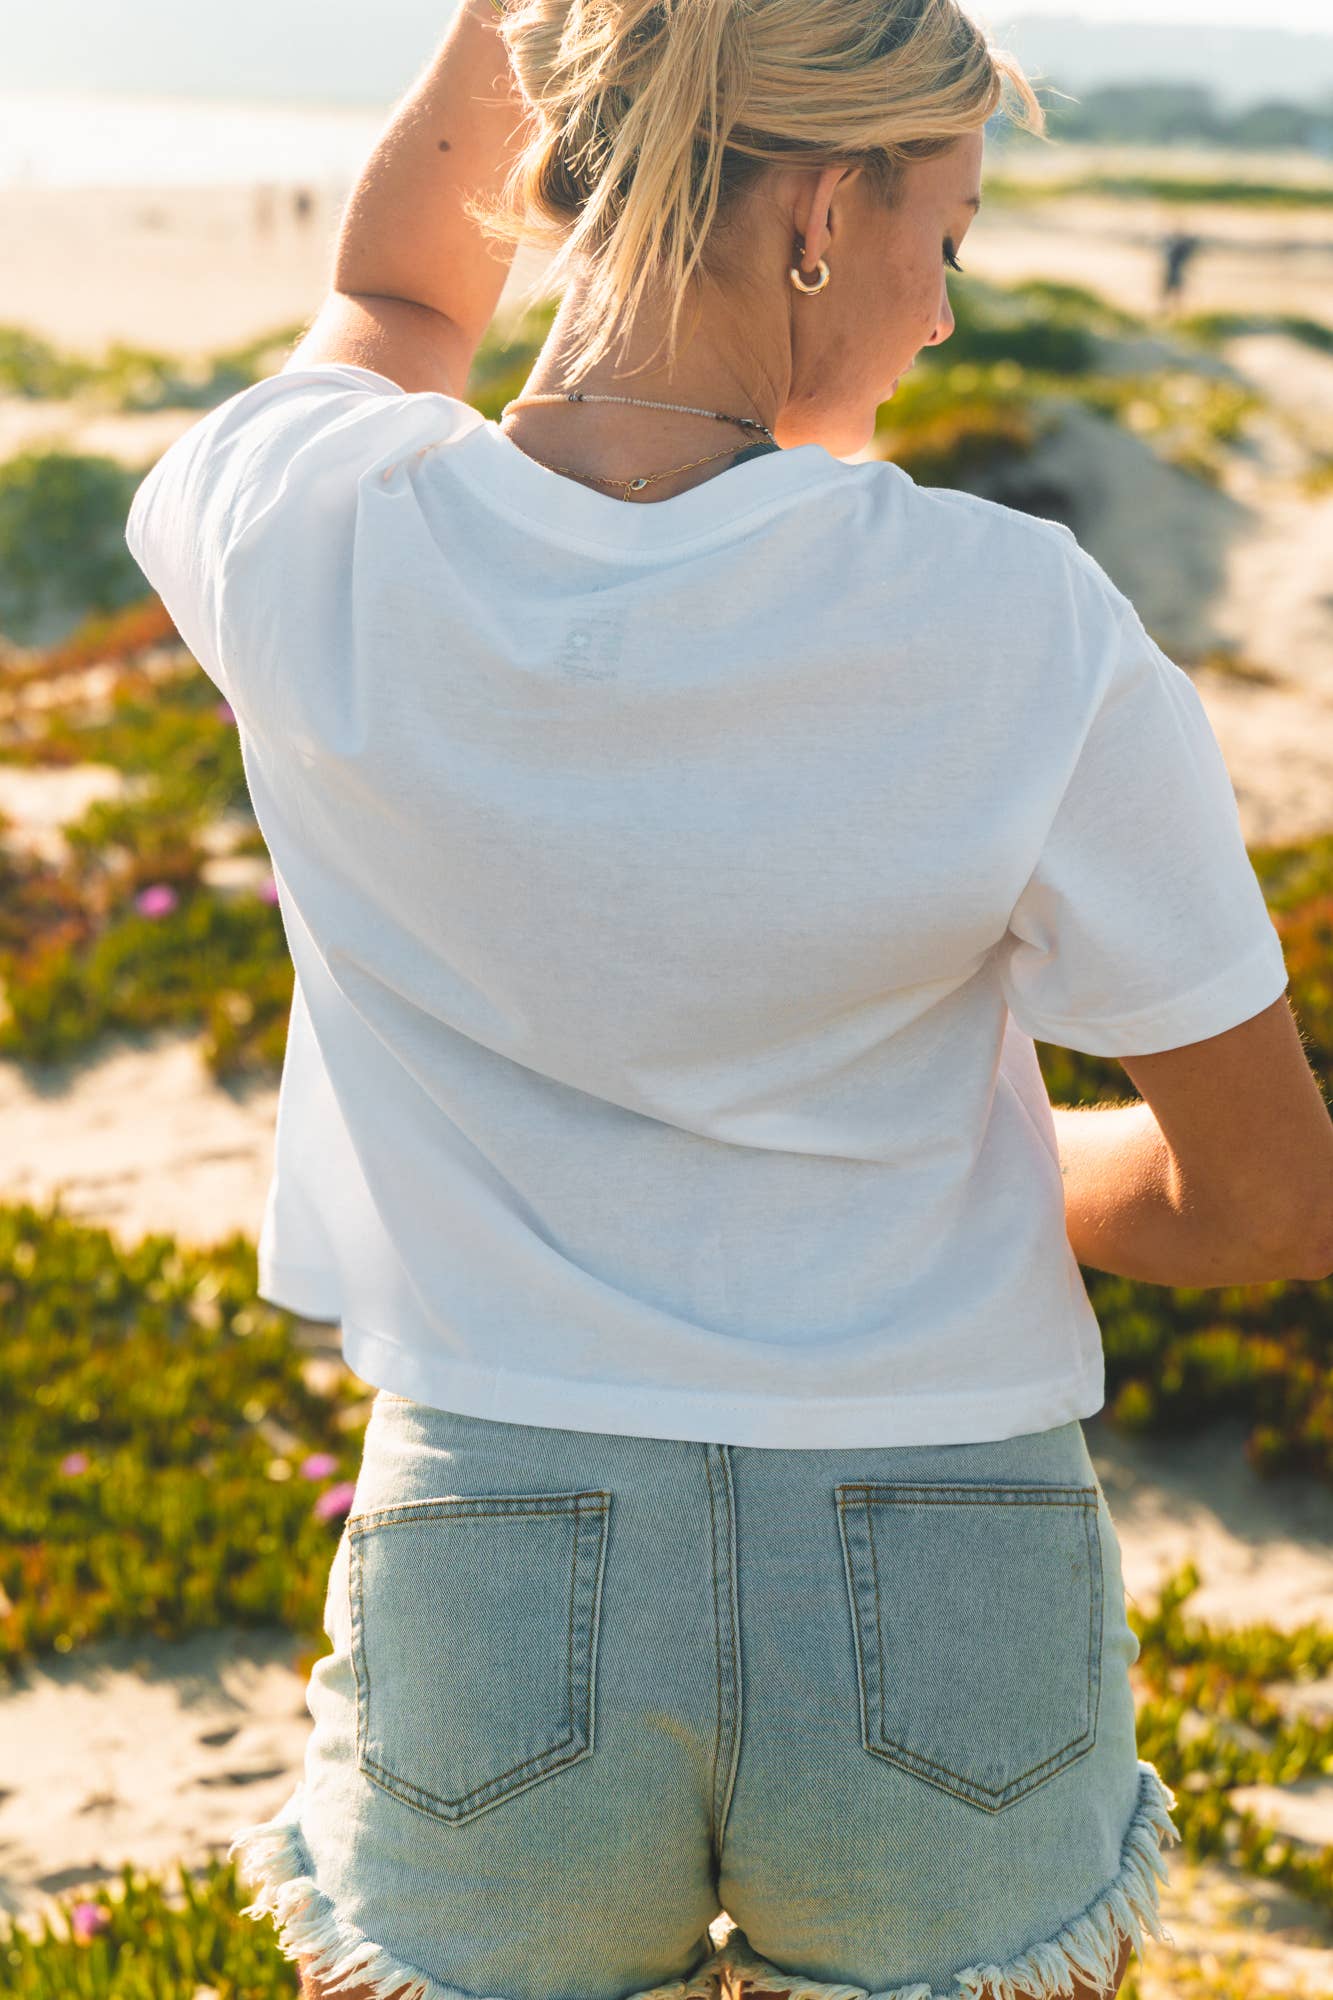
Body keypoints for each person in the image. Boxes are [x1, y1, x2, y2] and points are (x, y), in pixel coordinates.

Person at [123, 4, 1333, 1999]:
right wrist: (977, 1175)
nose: (942, 316)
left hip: (492, 1543)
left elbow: (390, 288)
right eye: (942, 241)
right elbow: (1269, 1204)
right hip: (944, 1552)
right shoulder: (1017, 625)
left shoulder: (304, 530)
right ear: (824, 212)